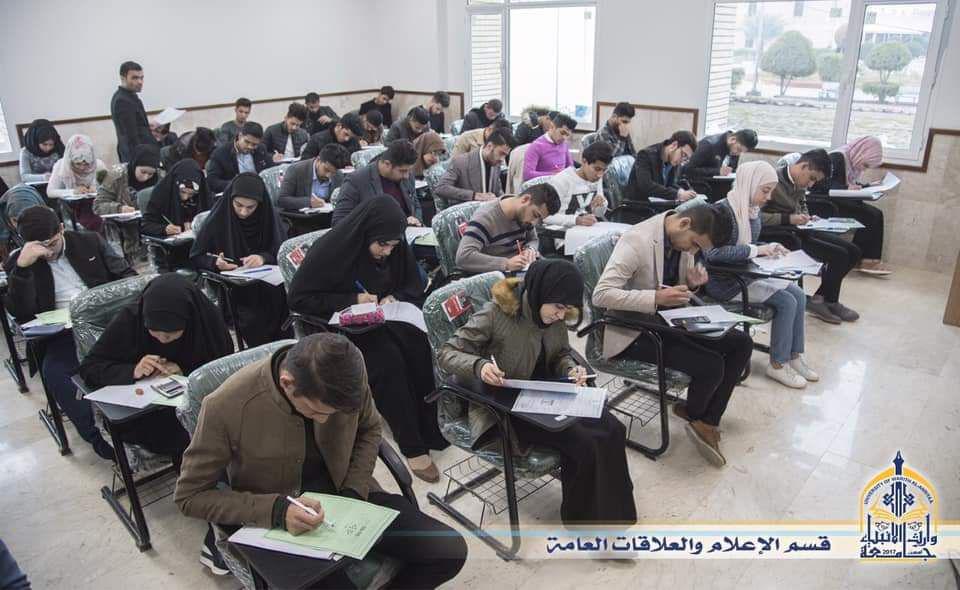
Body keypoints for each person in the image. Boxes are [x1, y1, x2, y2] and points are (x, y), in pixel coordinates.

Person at [174, 333, 467, 587]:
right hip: (278, 521)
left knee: (449, 551)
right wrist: (276, 510)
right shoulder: (225, 407)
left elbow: (369, 429)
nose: (325, 420)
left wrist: (354, 490)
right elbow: (190, 496)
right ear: (287, 383)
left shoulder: (348, 373)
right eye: (315, 412)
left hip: (349, 495)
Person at [438, 259, 637, 525]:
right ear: (541, 292)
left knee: (613, 429)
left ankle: (617, 514)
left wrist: (571, 369)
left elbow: (561, 353)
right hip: (507, 405)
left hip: (546, 393)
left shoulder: (554, 315)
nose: (561, 315)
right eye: (558, 307)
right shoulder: (495, 314)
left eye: (566, 309)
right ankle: (584, 523)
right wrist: (479, 366)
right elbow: (446, 353)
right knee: (584, 443)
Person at [78, 272, 233, 575]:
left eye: (171, 335)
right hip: (149, 416)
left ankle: (231, 511)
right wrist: (133, 370)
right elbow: (91, 367)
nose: (161, 340)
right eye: (154, 334)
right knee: (197, 444)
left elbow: (220, 366)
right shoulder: (131, 318)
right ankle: (220, 526)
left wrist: (185, 368)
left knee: (226, 435)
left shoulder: (206, 318)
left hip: (200, 406)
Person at [287, 199, 450, 480]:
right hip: (347, 325)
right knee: (387, 361)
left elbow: (411, 283)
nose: (387, 252)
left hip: (388, 315)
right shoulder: (330, 250)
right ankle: (411, 444)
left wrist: (394, 296)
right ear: (365, 234)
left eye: (393, 246)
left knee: (419, 346)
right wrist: (352, 299)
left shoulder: (394, 247)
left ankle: (431, 427)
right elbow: (300, 299)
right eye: (382, 245)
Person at [593, 205, 751, 467]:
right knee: (711, 365)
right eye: (695, 244)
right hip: (634, 330)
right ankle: (697, 416)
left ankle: (705, 420)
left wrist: (691, 284)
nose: (694, 252)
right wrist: (655, 298)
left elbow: (672, 286)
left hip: (668, 319)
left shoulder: (681, 239)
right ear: (684, 223)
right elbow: (601, 295)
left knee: (741, 343)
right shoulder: (637, 240)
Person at [3, 206, 136, 460]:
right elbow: (20, 312)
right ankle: (102, 439)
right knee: (56, 373)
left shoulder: (89, 241)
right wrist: (22, 269)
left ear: (61, 229)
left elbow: (127, 275)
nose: (48, 251)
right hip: (62, 335)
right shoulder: (20, 261)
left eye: (52, 243)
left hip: (106, 322)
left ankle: (145, 424)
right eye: (39, 246)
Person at [703, 161, 818, 389]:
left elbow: (749, 244)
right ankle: (777, 365)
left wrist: (770, 247)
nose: (768, 197)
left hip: (745, 274)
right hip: (726, 282)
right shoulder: (721, 211)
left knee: (798, 293)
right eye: (765, 190)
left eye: (771, 191)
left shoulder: (751, 210)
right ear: (749, 183)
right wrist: (756, 251)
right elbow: (713, 254)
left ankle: (794, 355)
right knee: (786, 301)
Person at [763, 149, 861, 324]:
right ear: (804, 166)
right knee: (840, 255)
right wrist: (788, 218)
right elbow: (756, 217)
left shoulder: (799, 182)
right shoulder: (772, 180)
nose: (811, 185)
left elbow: (801, 204)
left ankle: (824, 299)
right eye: (812, 178)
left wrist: (807, 216)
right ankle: (825, 301)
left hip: (800, 230)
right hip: (783, 235)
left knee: (853, 251)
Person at [191, 173, 289, 346]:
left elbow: (281, 249)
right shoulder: (219, 219)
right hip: (237, 291)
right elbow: (196, 256)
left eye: (250, 207)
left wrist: (263, 257)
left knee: (284, 311)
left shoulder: (268, 218)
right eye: (238, 205)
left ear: (260, 204)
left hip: (270, 286)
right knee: (253, 320)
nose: (243, 212)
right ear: (230, 199)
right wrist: (215, 263)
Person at [814, 136, 890, 275]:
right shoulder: (837, 158)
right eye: (865, 165)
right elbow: (821, 184)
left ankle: (868, 260)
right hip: (825, 204)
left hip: (838, 202)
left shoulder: (850, 160)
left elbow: (847, 184)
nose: (864, 169)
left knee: (876, 214)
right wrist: (846, 188)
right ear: (861, 152)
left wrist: (867, 186)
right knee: (869, 215)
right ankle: (863, 260)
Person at [455, 184, 561, 274]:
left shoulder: (525, 213)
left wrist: (530, 249)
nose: (534, 223)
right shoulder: (486, 218)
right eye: (535, 215)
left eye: (539, 219)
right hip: (499, 276)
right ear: (525, 199)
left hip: (523, 268)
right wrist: (506, 263)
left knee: (562, 273)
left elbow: (533, 239)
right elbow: (463, 257)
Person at [332, 140, 422, 227]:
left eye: (409, 171)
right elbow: (339, 222)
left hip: (410, 232)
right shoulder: (356, 181)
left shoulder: (407, 176)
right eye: (402, 171)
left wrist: (416, 220)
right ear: (387, 164)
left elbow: (416, 205)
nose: (406, 176)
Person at [94, 145, 160, 261]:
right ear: (135, 164)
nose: (146, 177)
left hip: (151, 230)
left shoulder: (159, 178)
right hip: (122, 232)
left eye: (150, 174)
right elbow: (98, 205)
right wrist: (119, 208)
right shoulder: (116, 176)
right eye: (143, 172)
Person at [435, 129, 512, 207]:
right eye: (501, 153)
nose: (502, 159)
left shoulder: (496, 163)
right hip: (466, 211)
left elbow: (498, 191)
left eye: (505, 155)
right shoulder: (461, 162)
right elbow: (441, 188)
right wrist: (474, 195)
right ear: (489, 146)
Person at [47, 134, 106, 233]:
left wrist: (96, 189)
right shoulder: (61, 166)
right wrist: (73, 191)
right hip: (71, 207)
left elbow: (109, 188)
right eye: (77, 163)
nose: (82, 167)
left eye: (86, 164)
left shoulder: (98, 165)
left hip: (96, 206)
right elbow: (50, 191)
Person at [545, 140, 611, 228]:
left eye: (604, 170)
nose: (600, 175)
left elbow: (598, 214)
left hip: (585, 230)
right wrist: (576, 220)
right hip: (562, 232)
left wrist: (602, 204)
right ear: (584, 161)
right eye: (597, 169)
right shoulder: (562, 180)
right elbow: (546, 217)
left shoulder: (596, 178)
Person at [624, 131, 700, 203]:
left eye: (686, 159)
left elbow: (670, 184)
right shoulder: (645, 155)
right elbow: (646, 186)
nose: (682, 161)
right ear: (674, 145)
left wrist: (683, 191)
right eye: (683, 155)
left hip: (658, 203)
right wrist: (678, 194)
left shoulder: (673, 160)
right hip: (639, 205)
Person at [278, 144, 350, 211]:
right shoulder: (296, 170)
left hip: (327, 216)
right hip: (300, 217)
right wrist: (308, 202)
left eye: (333, 172)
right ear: (318, 160)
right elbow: (282, 200)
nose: (328, 175)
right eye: (326, 170)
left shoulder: (338, 175)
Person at [110, 61, 158, 162]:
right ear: (123, 78)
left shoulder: (129, 96)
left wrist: (147, 126)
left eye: (141, 78)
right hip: (138, 158)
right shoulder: (122, 101)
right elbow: (131, 137)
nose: (140, 82)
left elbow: (135, 125)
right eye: (135, 78)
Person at [206, 122, 273, 194]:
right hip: (234, 192)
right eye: (247, 142)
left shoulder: (261, 149)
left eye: (254, 144)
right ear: (240, 136)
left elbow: (269, 171)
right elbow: (212, 181)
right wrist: (237, 184)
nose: (250, 147)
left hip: (259, 190)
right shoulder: (221, 153)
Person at [523, 113, 576, 182]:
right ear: (552, 127)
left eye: (567, 135)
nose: (564, 138)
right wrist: (554, 174)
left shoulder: (564, 144)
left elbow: (570, 168)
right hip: (543, 186)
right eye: (562, 133)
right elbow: (527, 175)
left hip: (561, 183)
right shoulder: (536, 146)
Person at [685, 129, 758, 180]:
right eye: (739, 149)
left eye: (742, 152)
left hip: (720, 184)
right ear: (733, 139)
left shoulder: (734, 149)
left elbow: (731, 171)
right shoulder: (709, 144)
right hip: (700, 184)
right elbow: (689, 169)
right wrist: (717, 171)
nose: (738, 153)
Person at [299, 113, 364, 160]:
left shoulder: (353, 141)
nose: (347, 139)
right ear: (339, 126)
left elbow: (359, 160)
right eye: (346, 134)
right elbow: (304, 162)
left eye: (351, 137)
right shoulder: (317, 139)